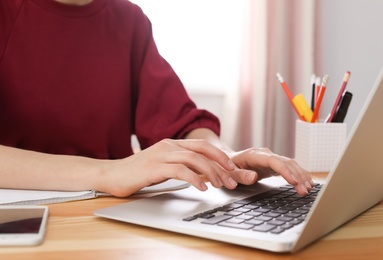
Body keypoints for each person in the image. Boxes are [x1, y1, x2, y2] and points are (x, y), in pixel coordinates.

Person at [0, 0, 314, 197]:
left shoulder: (128, 19)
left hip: (110, 215)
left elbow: (181, 123)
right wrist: (111, 173)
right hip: (22, 218)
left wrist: (225, 159)